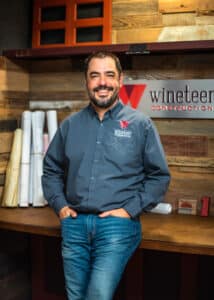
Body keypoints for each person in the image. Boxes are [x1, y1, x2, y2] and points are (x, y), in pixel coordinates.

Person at [42, 51, 170, 300]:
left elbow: (159, 177)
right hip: (74, 224)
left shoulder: (140, 124)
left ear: (120, 80)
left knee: (97, 295)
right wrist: (60, 206)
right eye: (95, 76)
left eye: (109, 75)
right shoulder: (70, 125)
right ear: (87, 82)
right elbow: (51, 170)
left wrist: (128, 210)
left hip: (116, 226)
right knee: (76, 296)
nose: (102, 82)